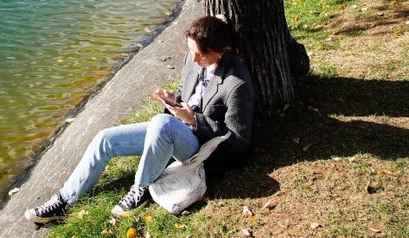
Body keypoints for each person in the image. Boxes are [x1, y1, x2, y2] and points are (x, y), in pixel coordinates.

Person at [24, 16, 254, 223]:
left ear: (221, 50)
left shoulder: (236, 84)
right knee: (106, 139)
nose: (193, 60)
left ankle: (141, 189)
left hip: (200, 146)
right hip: (173, 129)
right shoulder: (194, 59)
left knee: (162, 124)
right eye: (191, 51)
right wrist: (173, 99)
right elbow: (189, 94)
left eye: (201, 55)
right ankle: (64, 201)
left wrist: (195, 119)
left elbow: (239, 142)